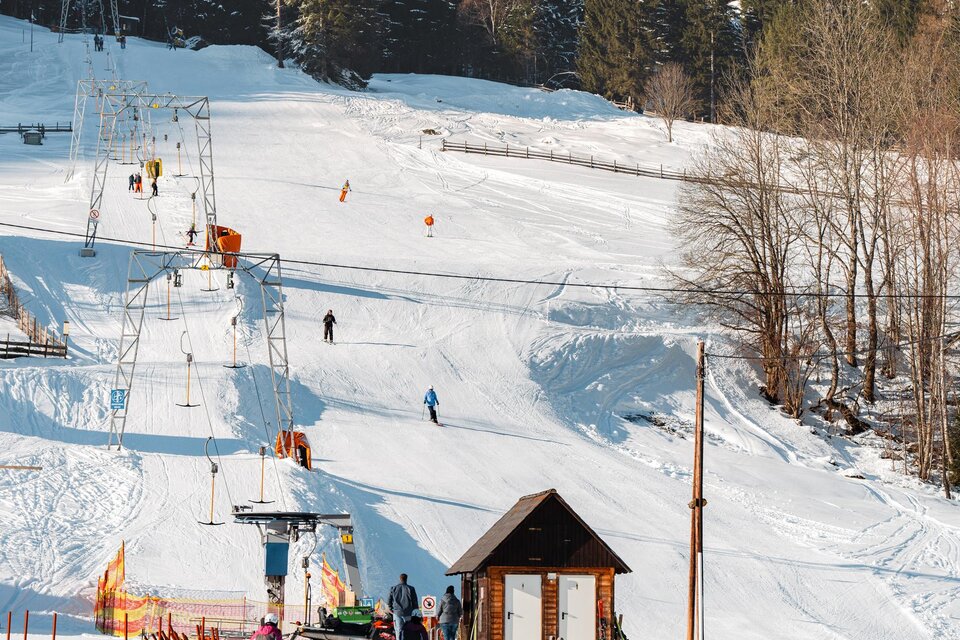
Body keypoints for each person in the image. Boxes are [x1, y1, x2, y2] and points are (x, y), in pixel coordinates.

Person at [387, 574, 419, 640]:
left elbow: (389, 600)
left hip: (397, 613)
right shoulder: (411, 588)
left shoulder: (393, 588)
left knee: (398, 630)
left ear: (400, 579)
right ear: (406, 579)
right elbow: (415, 601)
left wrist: (390, 608)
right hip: (408, 613)